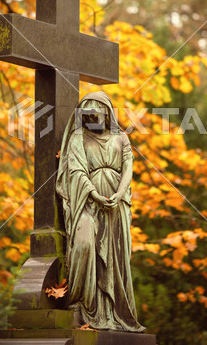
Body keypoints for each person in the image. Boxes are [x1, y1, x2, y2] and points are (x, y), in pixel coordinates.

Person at [56, 91, 145, 332]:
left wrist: (119, 193)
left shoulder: (121, 138)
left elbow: (128, 167)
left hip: (117, 204)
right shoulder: (78, 138)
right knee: (84, 243)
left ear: (107, 113)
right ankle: (83, 303)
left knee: (115, 259)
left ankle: (114, 315)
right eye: (86, 116)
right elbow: (76, 171)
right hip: (87, 202)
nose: (91, 119)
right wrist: (94, 194)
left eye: (96, 114)